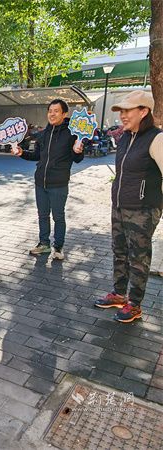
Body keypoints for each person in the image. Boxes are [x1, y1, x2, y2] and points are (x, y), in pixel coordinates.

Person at [94, 90, 163, 323]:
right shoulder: (125, 137)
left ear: (143, 111)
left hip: (143, 209)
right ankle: (119, 294)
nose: (122, 115)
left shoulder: (156, 138)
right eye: (121, 111)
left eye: (127, 110)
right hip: (120, 205)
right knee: (119, 251)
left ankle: (134, 304)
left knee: (138, 257)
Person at [12, 99, 84, 260]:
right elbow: (36, 155)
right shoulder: (43, 133)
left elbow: (78, 159)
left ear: (64, 114)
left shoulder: (72, 133)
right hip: (40, 183)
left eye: (56, 111)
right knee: (42, 216)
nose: (52, 114)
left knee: (58, 217)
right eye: (50, 111)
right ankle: (44, 244)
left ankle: (58, 247)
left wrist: (77, 151)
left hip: (59, 184)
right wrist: (22, 153)